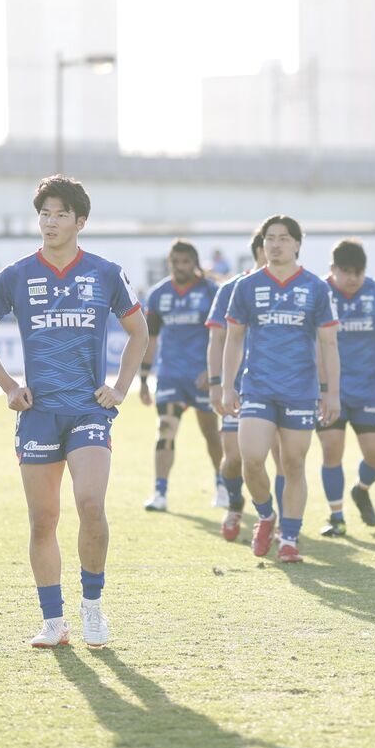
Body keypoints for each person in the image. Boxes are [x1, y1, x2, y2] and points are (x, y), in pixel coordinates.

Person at [0, 175, 149, 649]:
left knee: (90, 505)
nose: (50, 222)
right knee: (43, 520)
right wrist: (9, 386)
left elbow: (139, 333)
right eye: (44, 214)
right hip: (39, 413)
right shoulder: (17, 275)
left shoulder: (105, 273)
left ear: (79, 221)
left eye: (60, 214)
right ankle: (53, 621)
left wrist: (120, 388)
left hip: (88, 410)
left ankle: (93, 607)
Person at [220, 215, 340, 563]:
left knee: (293, 464)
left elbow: (328, 343)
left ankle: (289, 539)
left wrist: (331, 392)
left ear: (297, 244)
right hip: (257, 387)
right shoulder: (247, 286)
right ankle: (266, 514)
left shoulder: (316, 287)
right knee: (252, 459)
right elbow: (233, 339)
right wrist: (227, 386)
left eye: (284, 238)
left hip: (300, 390)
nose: (275, 244)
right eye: (270, 238)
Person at [138, 240, 223, 513]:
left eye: (186, 262)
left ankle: (222, 485)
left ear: (194, 263)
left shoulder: (211, 291)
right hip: (171, 376)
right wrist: (144, 379)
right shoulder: (159, 294)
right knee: (165, 430)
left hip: (202, 377)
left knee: (211, 432)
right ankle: (159, 492)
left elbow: (223, 336)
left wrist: (213, 371)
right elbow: (150, 338)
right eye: (175, 262)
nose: (180, 267)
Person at [317, 239, 375, 537]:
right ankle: (336, 516)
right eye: (346, 271)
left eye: (358, 272)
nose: (352, 278)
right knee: (331, 451)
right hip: (328, 390)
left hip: (370, 389)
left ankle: (361, 489)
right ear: (332, 268)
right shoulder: (318, 293)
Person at [206, 230, 271, 541]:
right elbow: (217, 338)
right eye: (270, 244)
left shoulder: (296, 287)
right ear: (259, 250)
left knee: (284, 460)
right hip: (240, 388)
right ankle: (234, 503)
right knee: (233, 458)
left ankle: (278, 521)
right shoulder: (231, 288)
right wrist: (217, 383)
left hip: (281, 387)